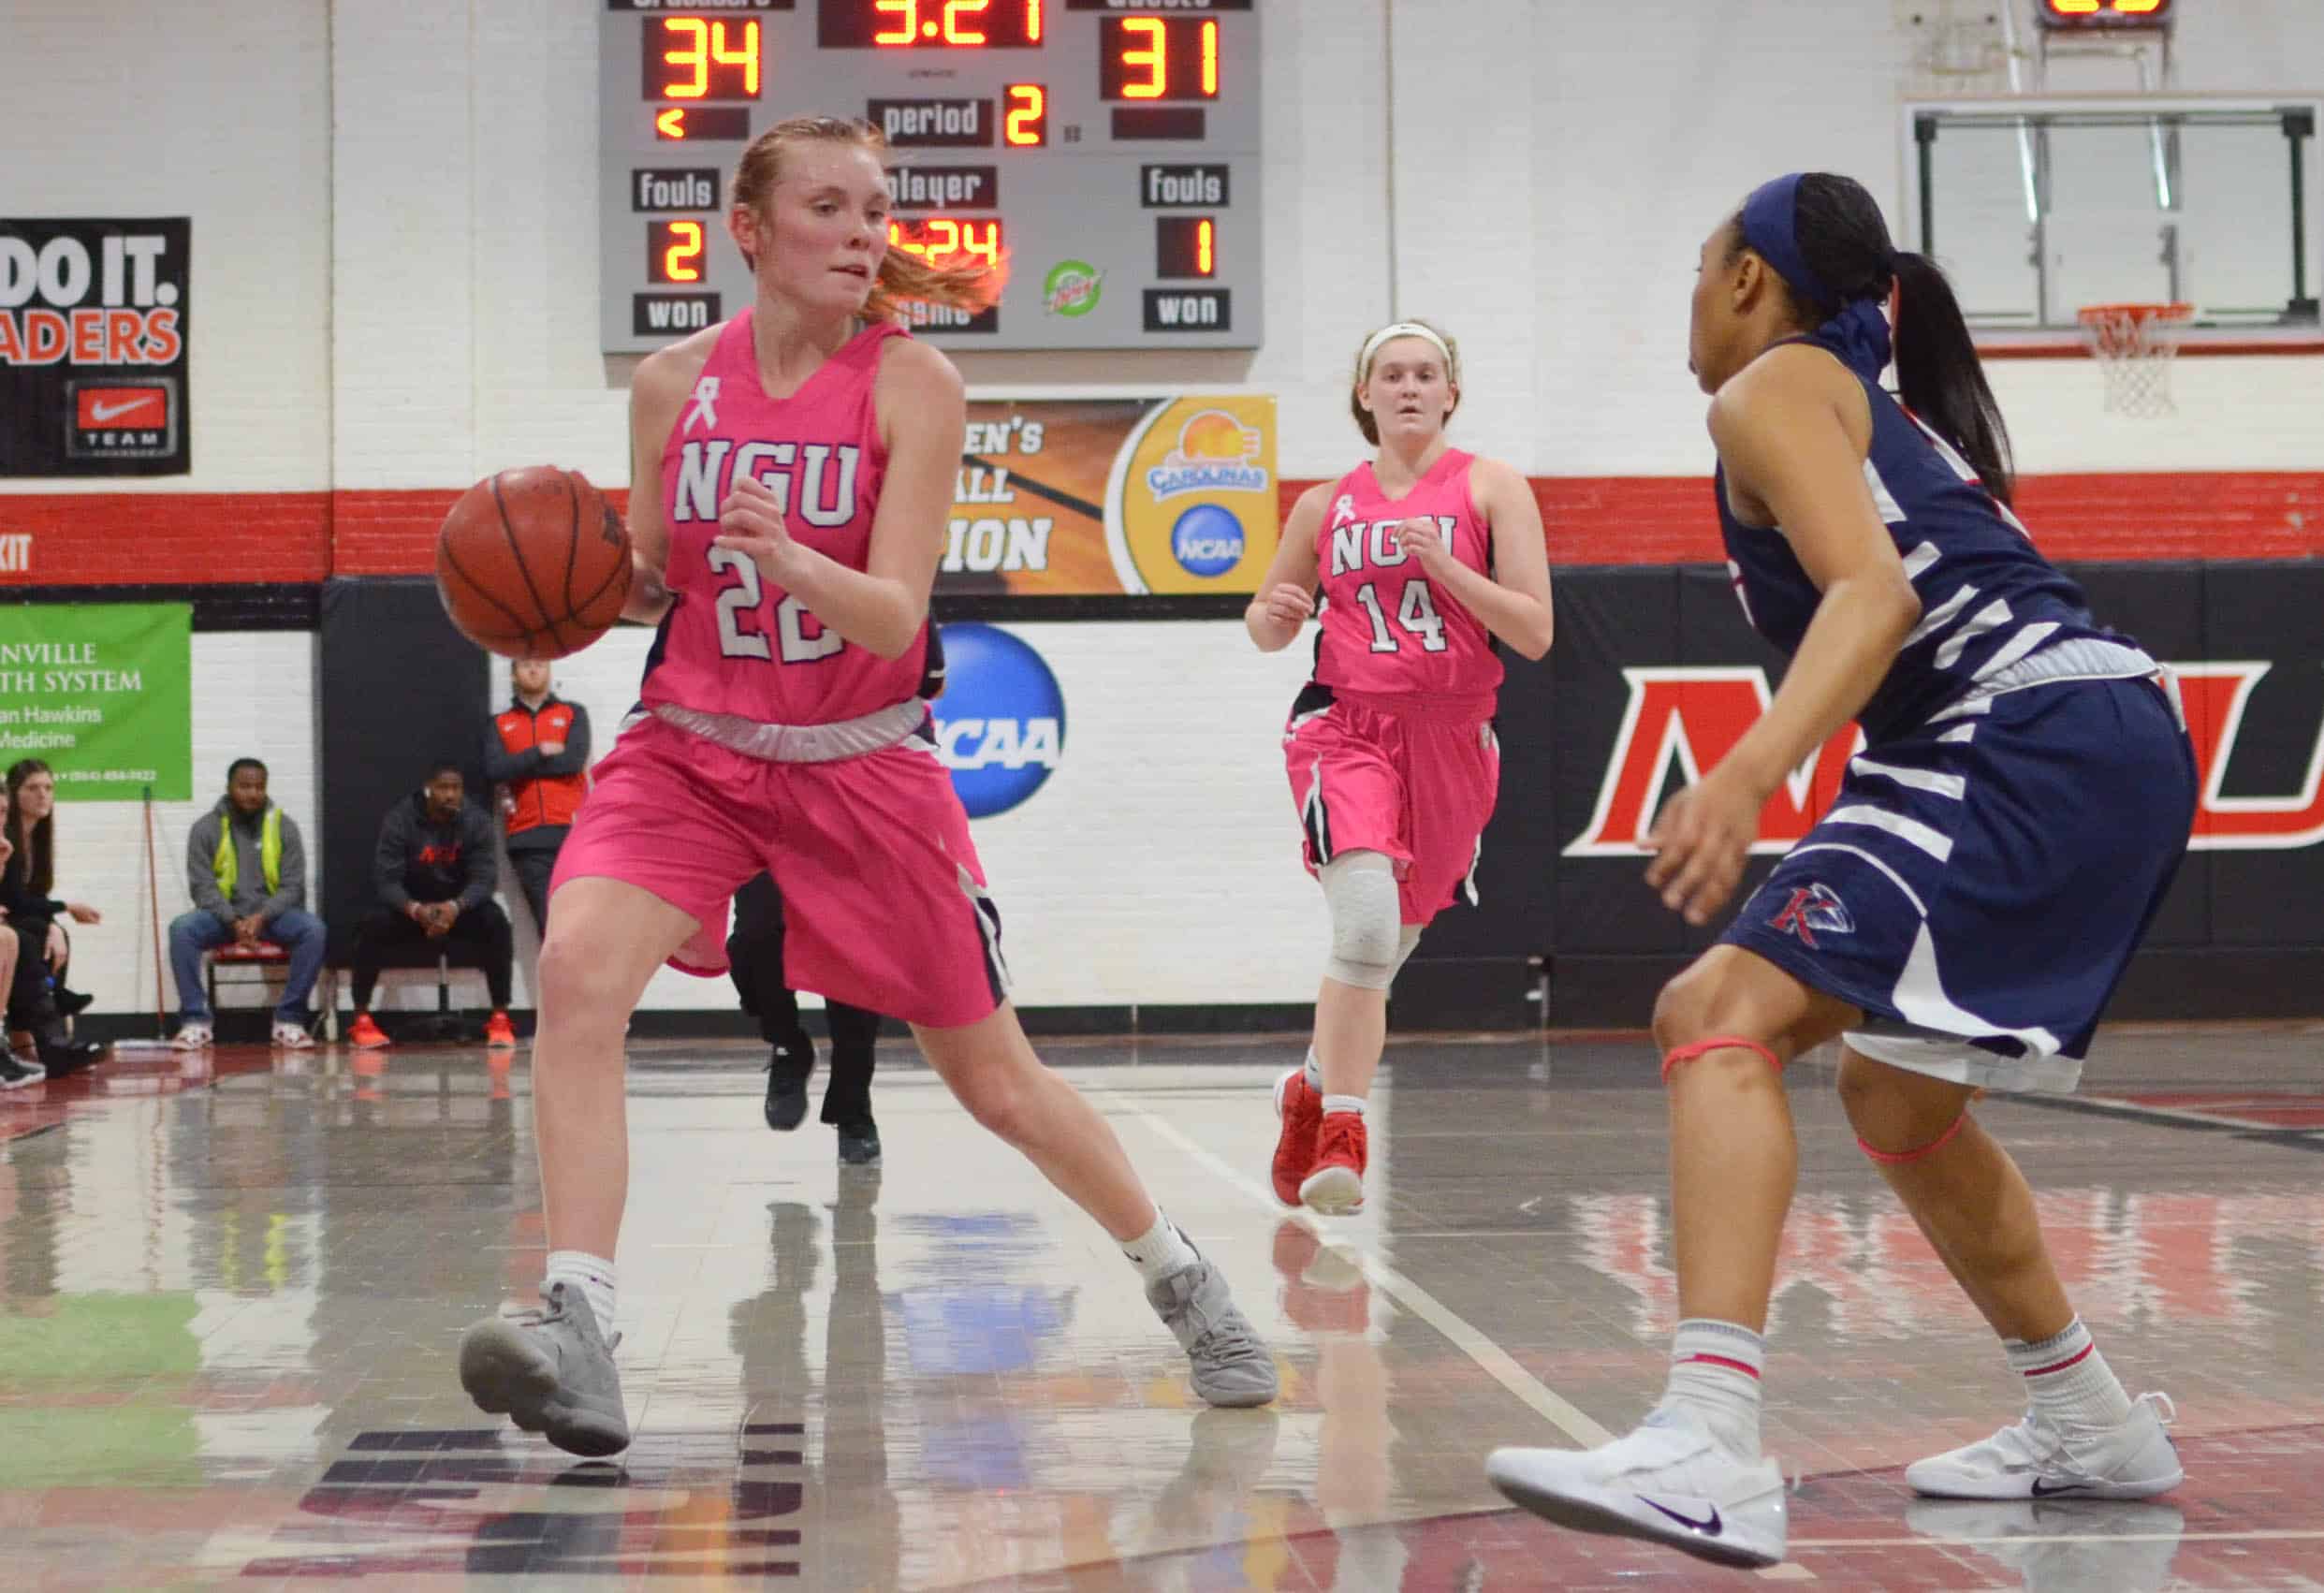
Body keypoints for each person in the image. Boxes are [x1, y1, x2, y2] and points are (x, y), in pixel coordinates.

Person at [456, 114, 1274, 1460]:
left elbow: (893, 615)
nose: (862, 235)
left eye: (874, 211)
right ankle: (579, 1324)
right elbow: (660, 573)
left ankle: (1180, 1275)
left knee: (994, 1081)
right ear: (751, 231)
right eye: (829, 209)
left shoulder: (913, 383)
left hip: (860, 759)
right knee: (582, 976)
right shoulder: (669, 386)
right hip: (694, 748)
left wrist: (790, 563)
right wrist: (571, 594)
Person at [1484, 172, 2196, 1570]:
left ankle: (1706, 1441)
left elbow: (1877, 597)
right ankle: (2088, 1420)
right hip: (2066, 726)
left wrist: (1744, 771)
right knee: (1891, 1086)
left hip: (2017, 729)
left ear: (1750, 278)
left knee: (1713, 1015)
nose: (1687, 301)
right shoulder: (1857, 398)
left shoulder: (1767, 387)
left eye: (1699, 268)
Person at [1245, 319, 1554, 1216]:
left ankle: (1306, 1090)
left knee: (1386, 951)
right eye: (1392, 374)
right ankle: (1344, 1122)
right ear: (1365, 394)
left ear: (1450, 394)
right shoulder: (1322, 504)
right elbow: (1265, 629)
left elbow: (1534, 631)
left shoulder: (1493, 488)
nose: (1410, 386)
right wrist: (1274, 610)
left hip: (1454, 737)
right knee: (1368, 923)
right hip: (1347, 729)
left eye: (1426, 374)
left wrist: (1447, 567)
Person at [735, 624, 942, 1163]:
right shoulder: (755, 591)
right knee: (753, 940)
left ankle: (853, 1105)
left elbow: (924, 681)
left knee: (853, 969)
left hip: (857, 799)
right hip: (768, 798)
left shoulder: (876, 592)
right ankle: (787, 1044)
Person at [346, 762, 518, 1050]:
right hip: (411, 911)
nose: (450, 795)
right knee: (371, 923)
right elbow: (386, 880)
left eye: (456, 788)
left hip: (458, 911)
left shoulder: (476, 821)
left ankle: (500, 1016)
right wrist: (415, 909)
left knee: (496, 921)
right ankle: (361, 1019)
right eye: (443, 788)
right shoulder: (401, 819)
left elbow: (485, 879)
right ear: (429, 789)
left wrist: (455, 906)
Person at [167, 758, 329, 1049]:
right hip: (222, 918)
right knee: (182, 929)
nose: (252, 793)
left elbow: (293, 886)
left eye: (259, 787)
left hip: (271, 918)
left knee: (314, 929)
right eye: (244, 786)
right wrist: (233, 920)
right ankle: (195, 1021)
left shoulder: (284, 826)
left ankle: (289, 1020)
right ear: (229, 787)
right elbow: (201, 887)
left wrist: (261, 917)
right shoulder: (205, 828)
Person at [486, 659, 592, 936]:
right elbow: (496, 770)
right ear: (513, 675)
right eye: (525, 665)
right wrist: (540, 751)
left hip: (572, 833)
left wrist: (520, 765)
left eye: (540, 664)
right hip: (526, 838)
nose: (534, 670)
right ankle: (560, 981)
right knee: (550, 929)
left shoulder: (573, 713)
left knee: (582, 926)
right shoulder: (500, 723)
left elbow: (572, 761)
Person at [4, 758, 101, 1020]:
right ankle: (50, 1004)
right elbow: (14, 900)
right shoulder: (8, 837)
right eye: (33, 788)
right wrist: (65, 909)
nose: (43, 795)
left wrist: (54, 924)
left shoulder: (37, 839)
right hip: (6, 913)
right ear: (14, 794)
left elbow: (34, 896)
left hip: (16, 914)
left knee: (53, 934)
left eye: (48, 788)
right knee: (35, 932)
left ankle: (52, 1000)